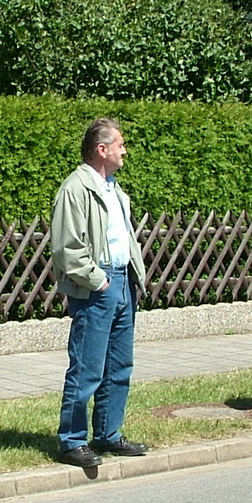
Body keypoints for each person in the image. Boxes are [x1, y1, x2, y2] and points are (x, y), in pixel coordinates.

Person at [50, 118, 148, 469]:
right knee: (87, 367)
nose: (125, 150)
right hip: (97, 286)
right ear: (101, 149)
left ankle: (108, 433)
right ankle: (72, 440)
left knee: (119, 365)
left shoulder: (113, 188)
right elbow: (67, 247)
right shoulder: (75, 189)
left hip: (122, 282)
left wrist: (130, 278)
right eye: (120, 144)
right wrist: (99, 280)